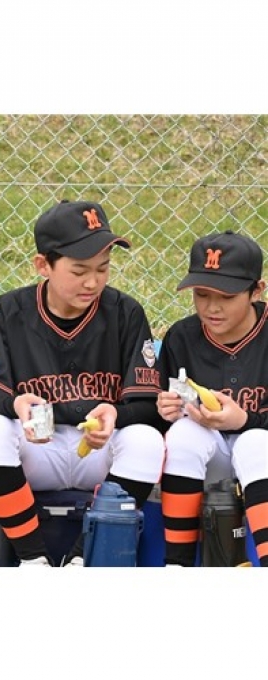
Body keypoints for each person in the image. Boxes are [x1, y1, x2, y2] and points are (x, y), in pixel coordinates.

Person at [0, 199, 166, 566]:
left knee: (146, 440)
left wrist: (117, 415)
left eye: (103, 268)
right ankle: (33, 560)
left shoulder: (125, 312)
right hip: (38, 449)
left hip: (100, 452)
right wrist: (15, 404)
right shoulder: (12, 309)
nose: (93, 281)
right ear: (43, 265)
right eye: (79, 270)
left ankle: (80, 560)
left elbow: (148, 405)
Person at [156, 230, 268, 567]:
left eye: (227, 296)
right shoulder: (182, 336)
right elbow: (162, 409)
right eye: (202, 294)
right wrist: (165, 411)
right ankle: (177, 565)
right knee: (184, 433)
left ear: (257, 290)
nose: (212, 307)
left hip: (262, 456)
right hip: (210, 460)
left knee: (254, 442)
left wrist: (246, 420)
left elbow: (252, 432)